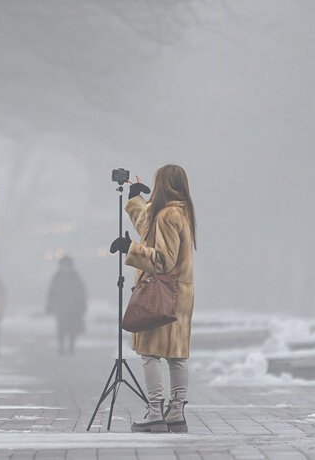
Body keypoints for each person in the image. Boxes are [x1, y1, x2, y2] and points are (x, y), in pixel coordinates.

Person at [110, 164, 196, 434]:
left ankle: (155, 411)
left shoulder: (167, 215)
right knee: (177, 355)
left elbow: (164, 260)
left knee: (150, 354)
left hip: (160, 292)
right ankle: (176, 412)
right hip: (178, 293)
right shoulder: (179, 213)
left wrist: (131, 249)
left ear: (163, 184)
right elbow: (150, 232)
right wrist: (136, 201)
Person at [46, 256, 87, 356]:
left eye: (67, 265)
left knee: (73, 329)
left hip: (74, 308)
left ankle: (71, 349)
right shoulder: (57, 277)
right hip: (61, 308)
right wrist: (50, 305)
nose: (65, 268)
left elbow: (81, 292)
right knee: (61, 329)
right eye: (63, 265)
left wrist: (82, 304)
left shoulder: (76, 277)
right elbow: (52, 292)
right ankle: (61, 348)